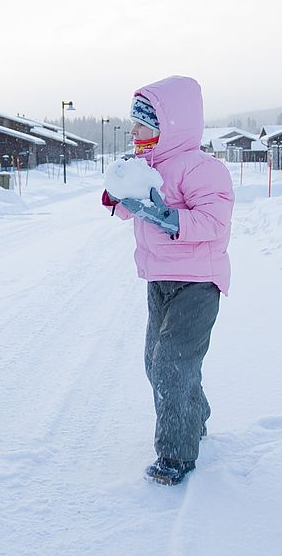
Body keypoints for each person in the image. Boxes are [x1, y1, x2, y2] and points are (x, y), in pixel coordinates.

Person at [102, 75, 234, 485]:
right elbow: (132, 210)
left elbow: (214, 220)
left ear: (169, 125)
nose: (134, 131)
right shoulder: (148, 166)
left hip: (198, 284)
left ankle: (175, 457)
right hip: (159, 279)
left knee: (172, 365)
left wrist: (167, 216)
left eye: (142, 124)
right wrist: (120, 196)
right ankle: (194, 415)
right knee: (155, 364)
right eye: (134, 124)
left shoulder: (202, 168)